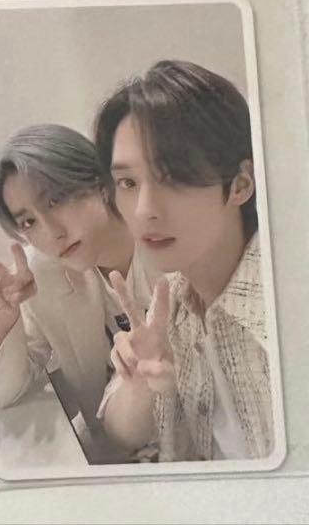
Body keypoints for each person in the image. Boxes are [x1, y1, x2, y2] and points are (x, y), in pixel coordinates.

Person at [93, 61, 272, 462]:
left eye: (173, 177)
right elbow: (119, 434)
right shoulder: (171, 301)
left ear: (241, 184)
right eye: (127, 182)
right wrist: (138, 382)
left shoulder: (284, 304)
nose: (144, 210)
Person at [0, 124, 158, 457]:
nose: (52, 232)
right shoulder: (42, 273)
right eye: (28, 222)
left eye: (56, 200)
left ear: (99, 184)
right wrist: (4, 323)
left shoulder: (168, 239)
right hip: (118, 453)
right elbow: (7, 393)